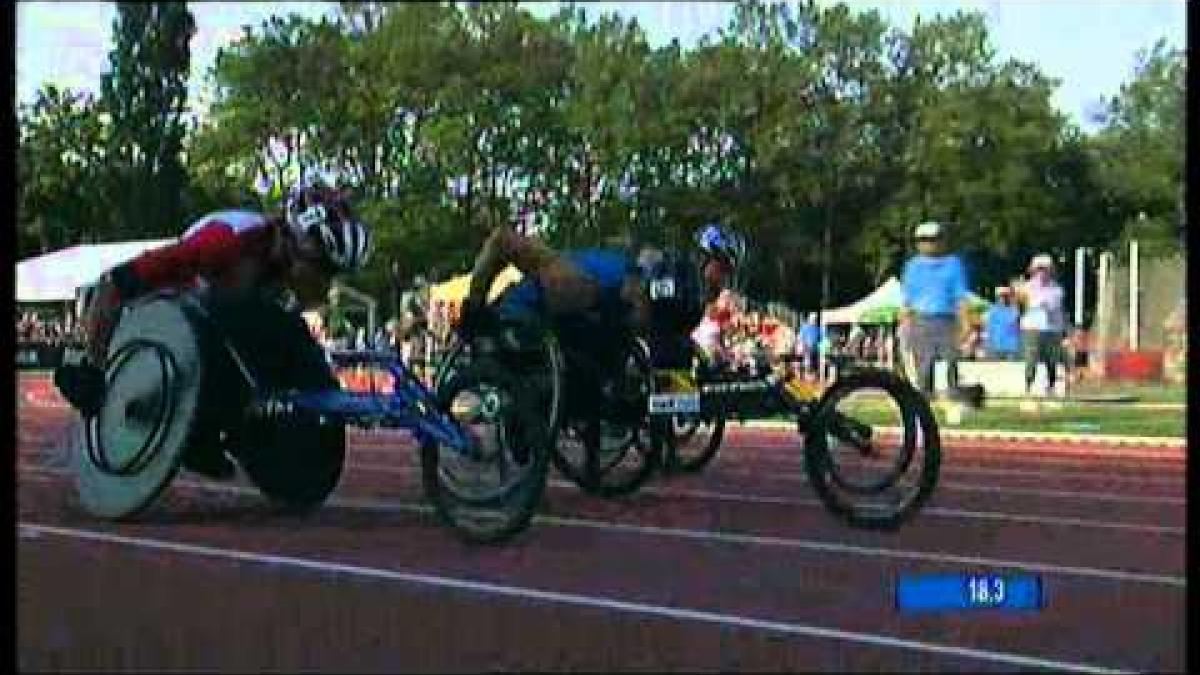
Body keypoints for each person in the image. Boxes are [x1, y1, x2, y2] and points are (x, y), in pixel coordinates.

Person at [54, 178, 372, 477]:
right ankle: (202, 430)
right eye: (323, 270)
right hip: (168, 323)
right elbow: (114, 283)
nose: (324, 284)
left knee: (280, 329)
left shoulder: (282, 273)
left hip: (215, 334)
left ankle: (233, 432)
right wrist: (93, 366)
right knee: (256, 315)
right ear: (292, 241)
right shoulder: (228, 240)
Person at [458, 219, 745, 391]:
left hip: (584, 307)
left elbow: (501, 241)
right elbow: (503, 241)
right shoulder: (568, 270)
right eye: (720, 269)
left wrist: (474, 302)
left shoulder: (577, 270)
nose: (720, 280)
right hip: (576, 303)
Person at [899, 221, 970, 397]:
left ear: (942, 241)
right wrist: (905, 324)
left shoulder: (953, 264)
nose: (929, 243)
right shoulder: (912, 266)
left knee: (951, 358)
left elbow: (960, 296)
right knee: (923, 362)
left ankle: (953, 391)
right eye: (924, 239)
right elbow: (907, 300)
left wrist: (965, 323)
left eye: (934, 239)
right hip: (921, 319)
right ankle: (925, 394)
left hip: (947, 319)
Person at [1016, 253, 1066, 397]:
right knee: (1031, 359)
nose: (1042, 272)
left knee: (1051, 360)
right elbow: (1021, 306)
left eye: (1045, 269)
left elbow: (1055, 308)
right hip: (1032, 328)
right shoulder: (1026, 287)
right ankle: (1029, 387)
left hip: (1051, 329)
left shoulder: (1056, 289)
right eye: (1039, 269)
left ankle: (1050, 387)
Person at [984, 286, 1021, 360]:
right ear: (997, 297)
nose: (1004, 298)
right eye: (1001, 296)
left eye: (1006, 296)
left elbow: (1017, 326)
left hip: (1011, 347)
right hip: (996, 346)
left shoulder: (1015, 310)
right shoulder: (992, 310)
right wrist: (988, 344)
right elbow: (989, 328)